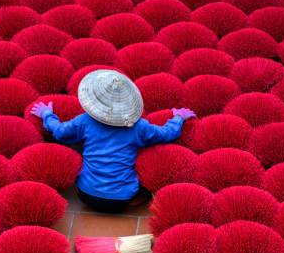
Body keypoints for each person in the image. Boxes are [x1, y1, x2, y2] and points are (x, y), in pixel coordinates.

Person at [30, 69, 196, 213]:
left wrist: (46, 114)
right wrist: (179, 118)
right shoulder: (139, 127)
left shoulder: (85, 121)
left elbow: (60, 132)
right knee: (146, 182)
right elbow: (167, 134)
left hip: (86, 194)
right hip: (122, 199)